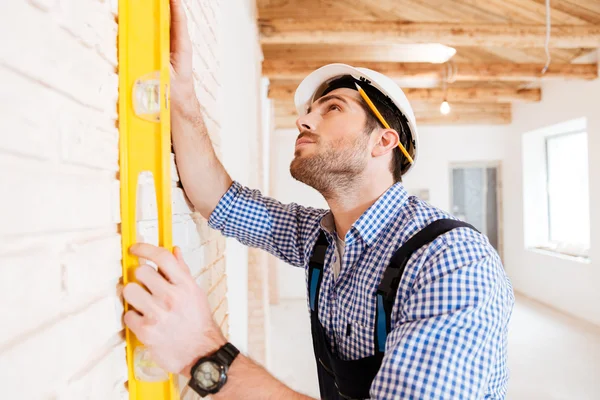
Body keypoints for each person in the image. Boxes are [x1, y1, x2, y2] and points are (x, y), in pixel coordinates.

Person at [122, 0, 515, 398]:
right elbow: (219, 199)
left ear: (383, 141)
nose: (303, 121)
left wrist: (200, 350)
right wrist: (183, 92)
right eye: (309, 110)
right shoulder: (321, 238)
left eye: (332, 108)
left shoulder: (451, 260)